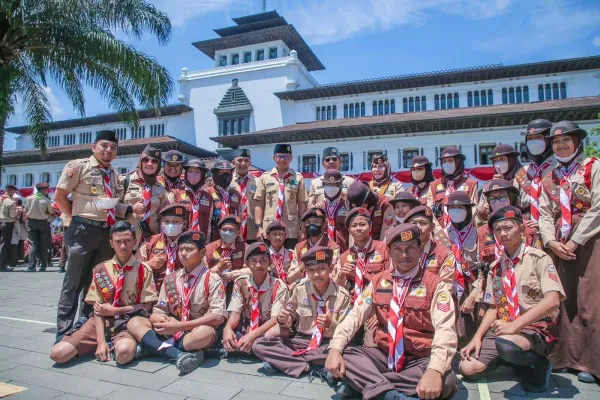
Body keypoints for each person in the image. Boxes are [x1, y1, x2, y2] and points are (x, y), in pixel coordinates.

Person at [325, 223, 458, 400]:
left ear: (420, 248)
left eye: (411, 247)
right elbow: (355, 316)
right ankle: (390, 395)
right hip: (383, 354)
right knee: (345, 355)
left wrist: (434, 370)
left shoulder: (435, 285)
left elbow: (445, 330)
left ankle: (365, 384)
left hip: (419, 359)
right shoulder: (378, 281)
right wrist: (335, 348)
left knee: (446, 380)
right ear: (389, 251)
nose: (404, 254)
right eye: (398, 249)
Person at [460, 206, 565, 392]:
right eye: (498, 229)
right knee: (467, 368)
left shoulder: (539, 259)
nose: (502, 233)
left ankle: (538, 365)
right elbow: (493, 307)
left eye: (508, 227)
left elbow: (553, 301)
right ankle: (509, 359)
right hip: (505, 329)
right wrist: (476, 338)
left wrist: (514, 326)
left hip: (535, 328)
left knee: (507, 346)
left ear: (522, 229)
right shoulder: (496, 267)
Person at [54, 130, 139, 338]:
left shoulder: (114, 176)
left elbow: (113, 204)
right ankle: (63, 330)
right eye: (104, 146)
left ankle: (86, 323)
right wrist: (76, 216)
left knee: (97, 281)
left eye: (113, 148)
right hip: (83, 229)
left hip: (105, 232)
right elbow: (60, 196)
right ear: (93, 147)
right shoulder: (79, 167)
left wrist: (128, 209)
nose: (108, 151)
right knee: (73, 281)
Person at [539, 121, 600, 383]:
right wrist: (550, 241)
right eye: (556, 142)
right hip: (558, 240)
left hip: (588, 238)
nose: (561, 146)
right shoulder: (549, 176)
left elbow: (598, 206)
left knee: (590, 298)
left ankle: (588, 363)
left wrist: (575, 240)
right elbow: (543, 213)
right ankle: (562, 356)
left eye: (566, 140)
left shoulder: (592, 167)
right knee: (562, 297)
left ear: (577, 142)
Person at [50, 221, 157, 365]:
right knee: (58, 354)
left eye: (127, 241)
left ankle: (132, 346)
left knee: (123, 355)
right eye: (118, 242)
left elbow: (147, 306)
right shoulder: (101, 269)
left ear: (135, 242)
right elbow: (98, 309)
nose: (123, 246)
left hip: (128, 322)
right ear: (111, 244)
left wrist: (116, 310)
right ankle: (102, 343)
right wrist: (100, 342)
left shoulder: (144, 269)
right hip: (100, 322)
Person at [127, 230, 227, 374]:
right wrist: (158, 318)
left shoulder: (212, 279)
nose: (183, 254)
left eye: (189, 249)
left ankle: (153, 347)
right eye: (181, 249)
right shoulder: (170, 279)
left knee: (205, 333)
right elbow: (159, 309)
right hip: (171, 329)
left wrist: (180, 326)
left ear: (202, 252)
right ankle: (177, 354)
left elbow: (218, 317)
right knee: (134, 322)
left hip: (194, 330)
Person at [253, 246, 351, 379]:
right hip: (300, 340)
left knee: (348, 353)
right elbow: (292, 315)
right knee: (259, 345)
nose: (316, 274)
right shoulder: (300, 289)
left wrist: (331, 324)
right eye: (310, 270)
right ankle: (309, 366)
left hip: (326, 343)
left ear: (331, 268)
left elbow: (345, 331)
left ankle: (286, 363)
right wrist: (284, 320)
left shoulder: (342, 295)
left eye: (321, 269)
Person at [223, 242, 288, 354]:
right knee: (229, 334)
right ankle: (259, 350)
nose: (258, 265)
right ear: (247, 263)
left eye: (263, 260)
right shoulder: (241, 282)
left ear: (270, 262)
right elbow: (235, 313)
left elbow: (275, 319)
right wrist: (227, 328)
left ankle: (253, 348)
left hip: (268, 328)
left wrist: (253, 335)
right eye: (254, 260)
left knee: (277, 332)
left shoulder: (279, 285)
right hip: (249, 326)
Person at [444, 191, 484, 342]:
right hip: (453, 281)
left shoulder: (478, 231)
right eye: (453, 209)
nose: (456, 212)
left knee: (476, 319)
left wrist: (477, 290)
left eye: (461, 208)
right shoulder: (443, 233)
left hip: (473, 281)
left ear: (468, 210)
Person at [254, 144, 307, 248]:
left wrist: (303, 228)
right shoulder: (265, 178)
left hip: (291, 229)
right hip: (269, 228)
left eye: (286, 156)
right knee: (269, 259)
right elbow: (259, 203)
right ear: (274, 158)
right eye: (280, 156)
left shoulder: (298, 178)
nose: (283, 159)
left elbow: (302, 204)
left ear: (291, 158)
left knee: (290, 259)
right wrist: (258, 227)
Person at [514, 119, 556, 245]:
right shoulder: (522, 173)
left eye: (538, 137)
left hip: (556, 230)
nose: (534, 142)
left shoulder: (561, 168)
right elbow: (515, 206)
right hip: (528, 234)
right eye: (530, 138)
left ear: (549, 140)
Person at [334, 207, 389, 302]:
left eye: (362, 224)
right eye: (354, 225)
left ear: (370, 227)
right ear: (348, 230)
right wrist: (342, 275)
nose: (358, 228)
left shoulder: (384, 249)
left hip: (378, 301)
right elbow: (337, 288)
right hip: (353, 305)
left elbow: (390, 277)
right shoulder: (344, 257)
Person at [477, 179, 536, 266]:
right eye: (493, 198)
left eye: (502, 197)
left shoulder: (527, 227)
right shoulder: (481, 232)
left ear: (511, 199)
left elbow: (537, 261)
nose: (497, 202)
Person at [121, 145, 168, 248]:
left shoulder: (161, 189)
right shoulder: (124, 181)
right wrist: (130, 209)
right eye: (145, 160)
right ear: (140, 162)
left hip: (150, 243)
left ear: (158, 165)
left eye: (154, 161)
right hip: (126, 243)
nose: (149, 164)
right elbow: (111, 207)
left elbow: (162, 217)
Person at [136, 204, 187, 292]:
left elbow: (201, 270)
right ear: (161, 223)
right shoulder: (150, 243)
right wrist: (148, 264)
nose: (171, 225)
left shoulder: (191, 244)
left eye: (176, 222)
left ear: (184, 224)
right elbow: (133, 269)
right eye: (166, 221)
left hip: (183, 292)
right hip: (155, 293)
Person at [405, 206, 455, 288]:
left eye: (423, 223)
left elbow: (446, 287)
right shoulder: (399, 251)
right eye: (413, 223)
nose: (418, 227)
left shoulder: (444, 254)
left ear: (432, 227)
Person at [430, 146, 478, 228]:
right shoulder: (434, 185)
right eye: (444, 161)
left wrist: (460, 230)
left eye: (450, 160)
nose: (447, 164)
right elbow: (429, 210)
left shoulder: (471, 184)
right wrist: (440, 233)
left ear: (458, 162)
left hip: (463, 230)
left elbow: (473, 210)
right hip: (440, 235)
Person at [204, 216, 249, 303]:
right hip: (215, 286)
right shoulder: (209, 249)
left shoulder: (245, 247)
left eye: (231, 230)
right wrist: (218, 268)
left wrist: (232, 274)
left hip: (237, 286)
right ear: (220, 231)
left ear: (238, 232)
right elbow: (203, 274)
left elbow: (252, 269)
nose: (227, 232)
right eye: (224, 230)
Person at [476, 144, 522, 224]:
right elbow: (480, 209)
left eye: (502, 159)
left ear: (511, 160)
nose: (498, 163)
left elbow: (525, 203)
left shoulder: (522, 180)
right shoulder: (489, 185)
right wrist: (483, 207)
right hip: (496, 225)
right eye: (495, 161)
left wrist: (506, 185)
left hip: (518, 222)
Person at [169, 158, 214, 239]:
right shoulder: (175, 194)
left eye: (197, 172)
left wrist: (206, 244)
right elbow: (168, 221)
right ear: (186, 174)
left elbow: (209, 225)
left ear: (203, 175)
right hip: (181, 243)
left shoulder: (208, 198)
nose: (193, 174)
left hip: (200, 242)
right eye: (190, 171)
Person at [206, 160, 241, 242]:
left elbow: (240, 217)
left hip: (232, 237)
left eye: (228, 172)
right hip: (213, 238)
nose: (225, 176)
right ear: (215, 174)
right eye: (221, 172)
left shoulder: (236, 194)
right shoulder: (207, 193)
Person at [230, 149, 260, 243]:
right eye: (240, 160)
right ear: (233, 162)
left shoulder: (258, 182)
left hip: (253, 231)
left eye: (246, 160)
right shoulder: (227, 182)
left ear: (250, 163)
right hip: (233, 231)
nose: (243, 163)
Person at [24, 182, 54, 272]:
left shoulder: (29, 199)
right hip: (43, 223)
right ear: (43, 190)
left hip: (31, 222)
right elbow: (50, 212)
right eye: (47, 189)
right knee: (43, 244)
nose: (47, 191)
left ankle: (31, 266)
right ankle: (43, 266)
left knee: (32, 244)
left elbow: (25, 210)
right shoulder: (46, 200)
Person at [317, 169, 350, 251]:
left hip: (343, 250)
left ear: (341, 185)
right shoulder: (319, 208)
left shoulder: (348, 205)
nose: (331, 187)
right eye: (328, 184)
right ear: (323, 184)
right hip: (323, 252)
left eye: (335, 185)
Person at [265, 221, 301, 288]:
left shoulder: (291, 254)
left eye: (281, 234)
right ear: (268, 237)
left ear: (285, 236)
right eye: (274, 234)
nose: (278, 237)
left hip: (289, 288)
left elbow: (295, 273)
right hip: (269, 289)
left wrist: (293, 285)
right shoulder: (264, 256)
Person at [0, 184, 20, 272]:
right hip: (7, 223)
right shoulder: (10, 202)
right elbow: (12, 215)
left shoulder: (1, 199)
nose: (15, 193)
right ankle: (1, 265)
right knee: (4, 245)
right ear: (11, 191)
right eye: (14, 191)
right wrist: (17, 213)